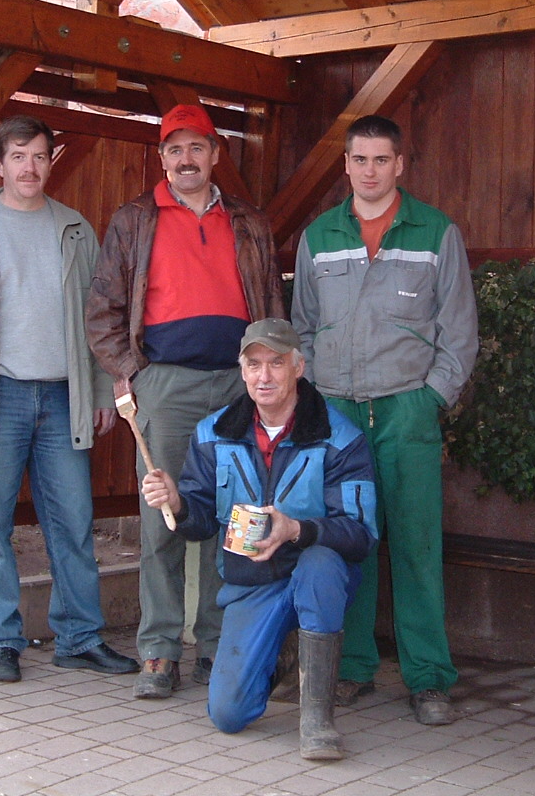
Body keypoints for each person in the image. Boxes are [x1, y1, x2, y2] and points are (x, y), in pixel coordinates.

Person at [0, 114, 139, 683]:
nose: (30, 167)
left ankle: (80, 636)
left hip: (65, 397)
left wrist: (100, 389)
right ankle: (1, 639)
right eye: (18, 156)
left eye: (39, 156)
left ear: (50, 162)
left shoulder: (75, 229)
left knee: (74, 521)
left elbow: (98, 318)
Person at [87, 102, 284, 699]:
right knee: (163, 517)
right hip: (166, 387)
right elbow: (102, 311)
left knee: (237, 515)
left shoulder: (248, 222)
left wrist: (268, 379)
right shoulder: (134, 220)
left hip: (237, 385)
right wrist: (133, 374)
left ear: (215, 154)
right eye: (175, 149)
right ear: (162, 158)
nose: (186, 159)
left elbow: (272, 307)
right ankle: (159, 649)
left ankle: (220, 644)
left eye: (197, 147)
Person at [291, 114, 479, 725]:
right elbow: (302, 328)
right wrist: (315, 401)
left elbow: (459, 330)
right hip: (338, 413)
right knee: (350, 542)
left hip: (406, 409)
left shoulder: (436, 232)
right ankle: (352, 668)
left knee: (417, 546)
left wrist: (430, 398)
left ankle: (429, 679)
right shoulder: (319, 235)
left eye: (380, 160)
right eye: (359, 160)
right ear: (345, 165)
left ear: (399, 165)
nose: (369, 171)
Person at [140, 318, 377, 760]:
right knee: (228, 714)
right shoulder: (213, 434)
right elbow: (200, 523)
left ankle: (317, 720)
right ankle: (280, 656)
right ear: (242, 370)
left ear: (298, 367)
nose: (264, 376)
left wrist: (298, 530)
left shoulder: (340, 438)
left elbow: (361, 534)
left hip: (315, 577)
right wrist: (177, 503)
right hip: (252, 584)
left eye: (276, 363)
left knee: (321, 563)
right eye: (254, 365)